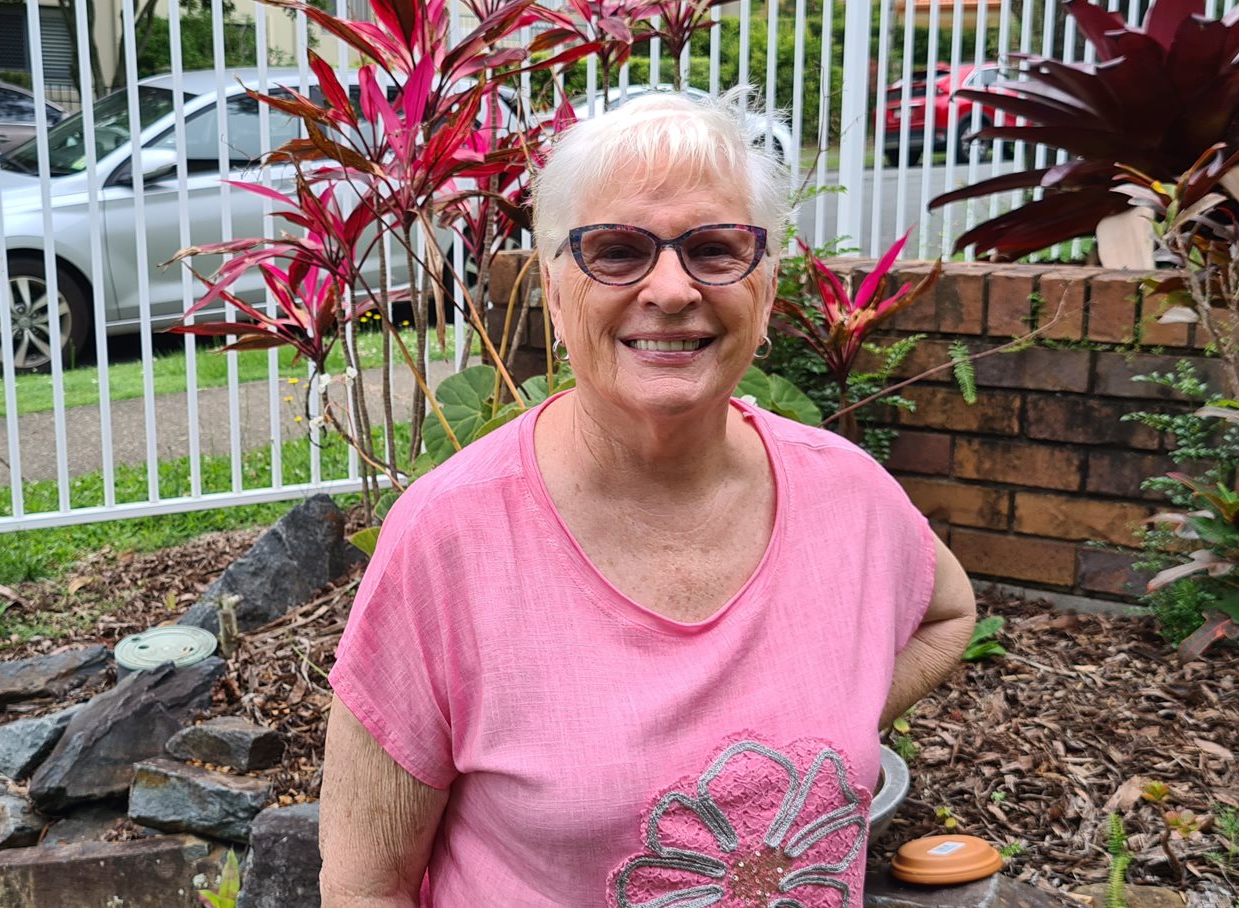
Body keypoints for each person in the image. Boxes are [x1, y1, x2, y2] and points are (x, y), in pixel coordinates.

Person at [318, 88, 978, 905]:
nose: (671, 289)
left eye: (715, 248)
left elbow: (949, 614)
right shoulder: (451, 536)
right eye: (619, 251)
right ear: (555, 291)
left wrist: (823, 715)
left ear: (767, 289)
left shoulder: (846, 493)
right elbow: (363, 887)